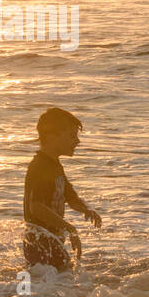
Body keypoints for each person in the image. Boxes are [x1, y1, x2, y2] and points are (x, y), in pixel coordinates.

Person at [21, 107, 101, 271]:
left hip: (51, 240)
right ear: (51, 137)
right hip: (38, 242)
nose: (77, 141)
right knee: (56, 282)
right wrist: (69, 228)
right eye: (72, 136)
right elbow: (36, 207)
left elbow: (71, 198)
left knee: (62, 279)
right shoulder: (40, 166)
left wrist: (86, 209)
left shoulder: (55, 166)